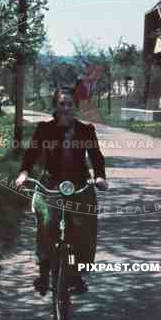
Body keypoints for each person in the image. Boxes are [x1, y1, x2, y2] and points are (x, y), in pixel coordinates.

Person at [15, 86, 108, 295]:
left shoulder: (86, 130)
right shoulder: (44, 129)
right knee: (46, 225)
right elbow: (31, 154)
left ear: (75, 107)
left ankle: (75, 274)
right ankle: (44, 271)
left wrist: (100, 176)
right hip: (50, 183)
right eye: (62, 104)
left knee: (83, 228)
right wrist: (24, 173)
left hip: (79, 184)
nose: (66, 108)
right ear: (56, 106)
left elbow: (96, 156)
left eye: (70, 104)